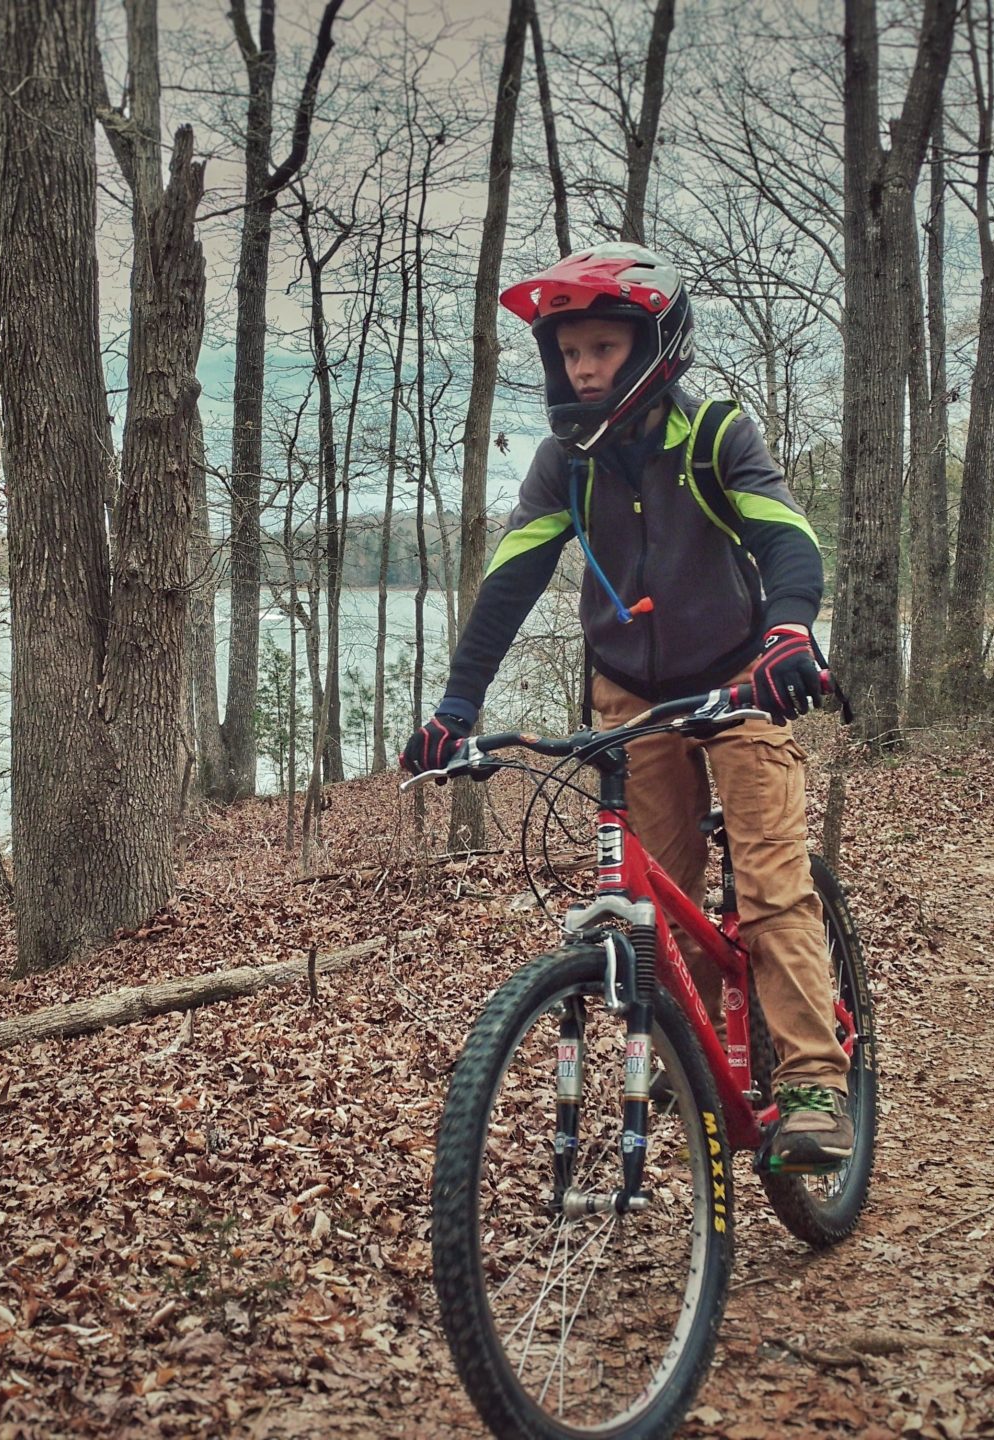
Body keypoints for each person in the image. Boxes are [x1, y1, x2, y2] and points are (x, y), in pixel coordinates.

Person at [398, 243, 853, 1171]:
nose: (583, 367)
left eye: (603, 347)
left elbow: (785, 536)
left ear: (654, 345)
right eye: (570, 353)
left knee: (769, 883)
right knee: (664, 907)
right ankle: (697, 1077)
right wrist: (455, 704)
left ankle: (814, 1084)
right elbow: (509, 583)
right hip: (628, 694)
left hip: (739, 678)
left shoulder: (717, 432)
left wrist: (791, 633)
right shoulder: (563, 463)